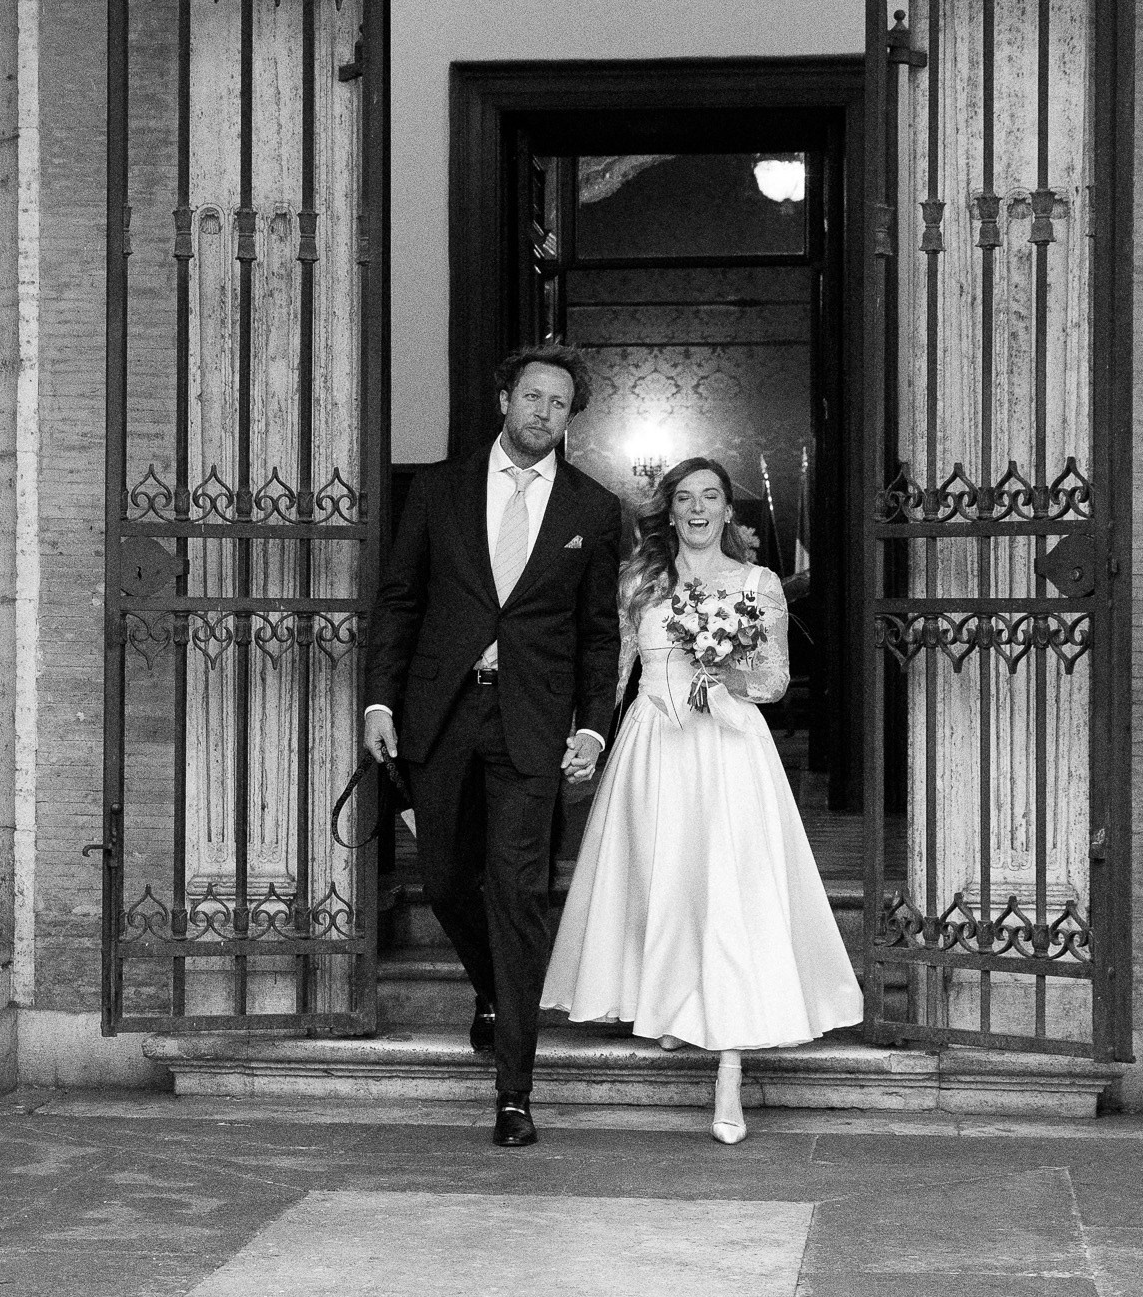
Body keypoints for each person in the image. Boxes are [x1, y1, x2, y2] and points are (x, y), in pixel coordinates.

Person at [542, 455, 862, 1144]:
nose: (696, 508)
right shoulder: (640, 581)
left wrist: (726, 669)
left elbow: (774, 681)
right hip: (654, 745)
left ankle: (729, 1063)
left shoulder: (756, 582)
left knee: (728, 894)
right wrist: (589, 737)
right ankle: (672, 1003)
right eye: (683, 497)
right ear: (669, 508)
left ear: (728, 511)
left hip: (728, 749)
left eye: (709, 496)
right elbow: (614, 670)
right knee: (665, 884)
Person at [363, 345, 622, 1148]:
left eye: (559, 404)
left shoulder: (592, 508)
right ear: (503, 397)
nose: (544, 413)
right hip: (440, 715)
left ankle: (514, 1090)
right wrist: (379, 701)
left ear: (568, 418)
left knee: (516, 894)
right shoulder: (438, 488)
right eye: (533, 396)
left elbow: (596, 633)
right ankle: (489, 990)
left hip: (531, 725)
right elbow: (400, 599)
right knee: (444, 880)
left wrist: (590, 724)